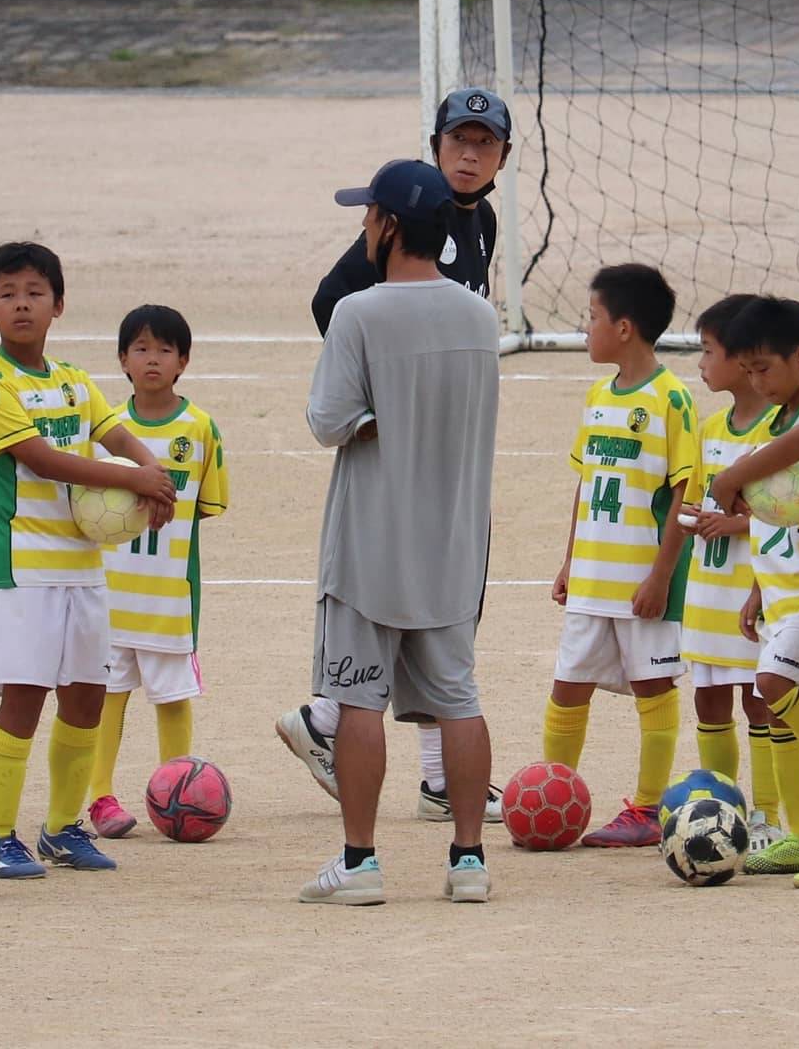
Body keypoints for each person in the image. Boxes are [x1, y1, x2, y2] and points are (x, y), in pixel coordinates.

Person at [277, 86, 512, 825]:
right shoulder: (401, 236)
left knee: (437, 617)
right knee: (417, 616)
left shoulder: (480, 225)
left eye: (484, 143)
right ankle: (339, 728)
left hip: (443, 452)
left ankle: (383, 759)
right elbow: (332, 302)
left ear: (503, 158)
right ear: (436, 147)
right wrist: (379, 396)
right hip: (403, 456)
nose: (469, 154)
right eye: (458, 141)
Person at [0, 242, 177, 879]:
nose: (21, 305)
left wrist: (152, 471)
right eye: (7, 294)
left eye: (34, 292)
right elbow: (43, 459)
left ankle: (61, 829)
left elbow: (115, 432)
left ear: (58, 304)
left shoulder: (74, 381)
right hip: (22, 568)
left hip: (83, 568)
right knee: (24, 699)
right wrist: (136, 481)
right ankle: (1, 834)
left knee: (85, 698)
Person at [544, 264, 697, 847]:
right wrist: (570, 561)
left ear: (625, 328)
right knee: (567, 687)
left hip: (642, 582)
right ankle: (554, 798)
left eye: (593, 318)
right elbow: (586, 485)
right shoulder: (597, 396)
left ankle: (648, 809)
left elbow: (685, 491)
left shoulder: (671, 399)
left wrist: (661, 575)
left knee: (653, 689)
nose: (586, 329)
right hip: (592, 576)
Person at [86, 304, 228, 838]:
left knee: (172, 697)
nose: (152, 359)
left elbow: (207, 507)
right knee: (106, 696)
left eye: (165, 350)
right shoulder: (107, 431)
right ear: (122, 359)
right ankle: (100, 797)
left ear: (183, 361)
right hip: (109, 595)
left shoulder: (201, 429)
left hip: (169, 597)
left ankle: (178, 797)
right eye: (141, 349)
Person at [704, 297, 799, 884]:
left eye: (764, 369)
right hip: (781, 592)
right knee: (785, 710)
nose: (756, 382)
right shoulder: (772, 425)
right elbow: (776, 520)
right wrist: (755, 588)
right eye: (747, 371)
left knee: (773, 684)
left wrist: (732, 475)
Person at [678, 295, 782, 852]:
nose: (701, 363)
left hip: (751, 588)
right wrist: (695, 517)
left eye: (708, 351)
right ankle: (723, 810)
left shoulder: (778, 432)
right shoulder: (710, 427)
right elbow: (700, 500)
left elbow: (784, 513)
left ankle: (768, 816)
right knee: (709, 699)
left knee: (759, 700)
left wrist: (736, 524)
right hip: (708, 591)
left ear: (743, 360)